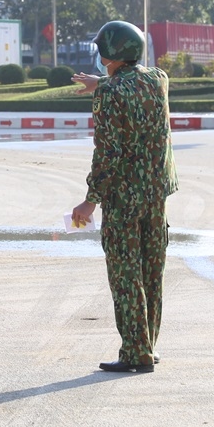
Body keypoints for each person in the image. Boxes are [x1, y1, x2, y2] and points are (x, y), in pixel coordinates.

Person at [70, 20, 178, 374]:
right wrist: (100, 84)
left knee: (126, 275)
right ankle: (148, 346)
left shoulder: (110, 93)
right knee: (151, 271)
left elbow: (108, 153)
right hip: (155, 194)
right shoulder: (158, 79)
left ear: (111, 54)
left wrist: (91, 199)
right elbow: (132, 87)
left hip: (123, 199)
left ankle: (135, 352)